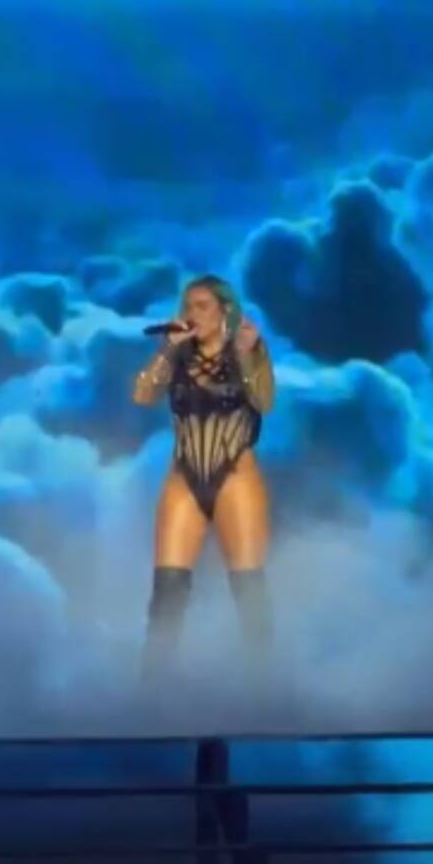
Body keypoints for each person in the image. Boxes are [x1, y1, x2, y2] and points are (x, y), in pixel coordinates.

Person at [132, 274, 275, 684]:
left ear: (224, 312)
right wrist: (166, 349)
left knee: (248, 587)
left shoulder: (248, 349)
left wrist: (247, 355)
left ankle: (267, 686)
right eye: (187, 306)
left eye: (201, 306)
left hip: (236, 474)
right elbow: (142, 395)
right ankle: (152, 688)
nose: (191, 314)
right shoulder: (177, 354)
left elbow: (264, 400)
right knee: (167, 589)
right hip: (185, 475)